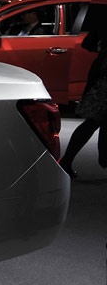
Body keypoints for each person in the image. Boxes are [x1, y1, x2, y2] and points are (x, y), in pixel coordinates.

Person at [59, 15, 107, 178]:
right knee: (95, 120)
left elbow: (88, 43)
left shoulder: (103, 18)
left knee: (94, 120)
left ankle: (67, 161)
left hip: (101, 75)